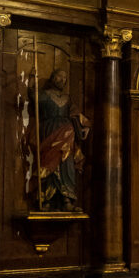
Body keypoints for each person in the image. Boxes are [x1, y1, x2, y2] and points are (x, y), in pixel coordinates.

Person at [30, 68, 90, 211]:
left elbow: (75, 114)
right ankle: (45, 199)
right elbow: (33, 96)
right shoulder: (44, 95)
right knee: (48, 163)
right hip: (50, 132)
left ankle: (67, 199)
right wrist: (32, 78)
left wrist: (85, 126)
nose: (62, 80)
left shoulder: (67, 98)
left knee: (66, 164)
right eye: (59, 76)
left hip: (67, 133)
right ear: (53, 78)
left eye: (65, 78)